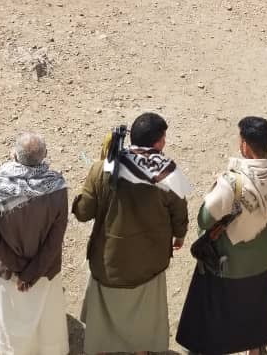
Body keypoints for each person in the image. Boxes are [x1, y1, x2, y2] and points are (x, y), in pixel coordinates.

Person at [176, 117, 267, 355]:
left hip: (226, 263)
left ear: (245, 146)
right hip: (261, 260)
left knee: (214, 315)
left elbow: (204, 219)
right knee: (253, 311)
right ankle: (255, 350)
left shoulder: (231, 183)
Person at [73, 113, 190, 355]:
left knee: (104, 316)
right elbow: (179, 213)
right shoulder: (166, 174)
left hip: (107, 263)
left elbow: (83, 213)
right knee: (143, 318)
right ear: (158, 143)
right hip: (149, 264)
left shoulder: (102, 168)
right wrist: (179, 236)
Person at [0, 133, 69, 355]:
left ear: (14, 156)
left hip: (9, 270)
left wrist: (19, 270)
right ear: (44, 156)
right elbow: (55, 239)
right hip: (44, 270)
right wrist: (31, 273)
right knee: (45, 317)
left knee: (12, 316)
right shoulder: (57, 187)